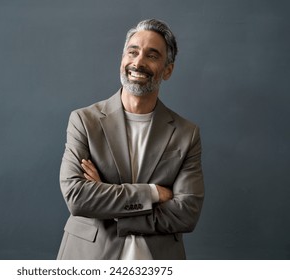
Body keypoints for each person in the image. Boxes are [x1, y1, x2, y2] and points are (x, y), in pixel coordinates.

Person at [57, 19, 204, 260]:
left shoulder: (186, 134)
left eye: (152, 55)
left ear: (168, 70)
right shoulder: (84, 121)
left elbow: (186, 213)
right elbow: (78, 197)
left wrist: (107, 198)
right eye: (132, 52)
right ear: (122, 58)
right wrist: (153, 193)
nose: (138, 62)